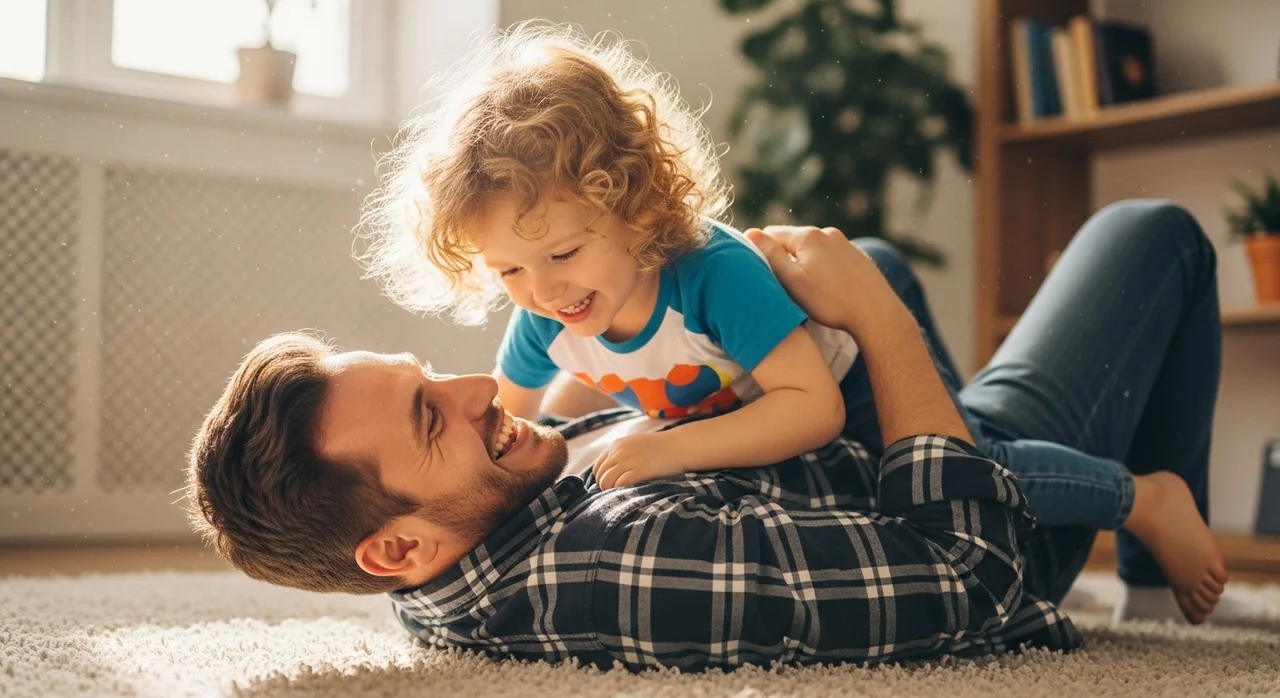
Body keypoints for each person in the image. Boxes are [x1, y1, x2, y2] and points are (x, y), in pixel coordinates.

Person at [188, 200, 1229, 671]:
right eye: (429, 413)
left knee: (845, 255)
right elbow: (969, 581)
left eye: (428, 375)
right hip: (975, 508)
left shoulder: (443, 554)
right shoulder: (617, 565)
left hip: (825, 456)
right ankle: (1147, 526)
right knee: (1152, 234)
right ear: (396, 547)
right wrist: (873, 319)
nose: (474, 386)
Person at [356, 23, 866, 491]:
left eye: (564, 253)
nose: (542, 291)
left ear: (633, 200)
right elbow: (505, 428)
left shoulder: (714, 274)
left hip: (849, 380)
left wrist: (673, 448)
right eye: (510, 269)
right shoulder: (544, 317)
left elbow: (815, 408)